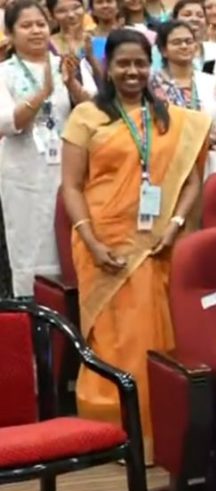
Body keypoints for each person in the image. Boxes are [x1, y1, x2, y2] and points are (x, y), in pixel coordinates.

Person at [60, 29, 211, 460]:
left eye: (140, 63)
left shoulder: (171, 118)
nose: (132, 71)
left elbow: (192, 180)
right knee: (112, 338)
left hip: (159, 241)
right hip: (102, 242)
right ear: (108, 66)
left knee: (156, 335)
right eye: (123, 63)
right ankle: (108, 436)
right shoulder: (87, 116)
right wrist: (89, 238)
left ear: (151, 65)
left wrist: (176, 224)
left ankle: (155, 434)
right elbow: (71, 187)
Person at [0, 0, 95, 299]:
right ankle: (35, 321)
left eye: (40, 24)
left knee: (72, 250)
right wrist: (43, 93)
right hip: (24, 174)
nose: (36, 31)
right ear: (11, 33)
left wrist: (72, 86)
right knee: (31, 253)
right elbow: (6, 123)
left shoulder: (68, 63)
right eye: (26, 26)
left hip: (70, 170)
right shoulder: (4, 72)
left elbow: (95, 113)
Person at [151, 20, 216, 176]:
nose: (184, 46)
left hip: (211, 165)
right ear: (163, 50)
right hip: (169, 164)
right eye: (176, 42)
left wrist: (209, 139)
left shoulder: (215, 83)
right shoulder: (152, 85)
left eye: (189, 41)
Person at [166, 0, 216, 106]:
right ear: (175, 19)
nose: (194, 19)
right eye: (187, 14)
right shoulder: (163, 50)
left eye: (200, 15)